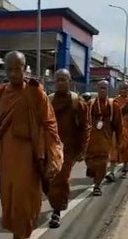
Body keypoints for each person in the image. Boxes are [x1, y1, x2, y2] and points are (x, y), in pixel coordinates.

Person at [0, 51, 64, 239]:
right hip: (5, 158)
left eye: (18, 69)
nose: (14, 74)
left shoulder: (35, 92)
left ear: (25, 69)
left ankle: (21, 235)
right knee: (8, 200)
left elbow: (50, 123)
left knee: (25, 203)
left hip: (29, 158)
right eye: (9, 70)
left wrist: (53, 154)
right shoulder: (0, 92)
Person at [46, 69, 91, 228]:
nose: (60, 82)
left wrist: (82, 150)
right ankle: (54, 202)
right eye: (58, 79)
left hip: (68, 149)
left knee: (61, 179)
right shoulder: (48, 100)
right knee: (47, 180)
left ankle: (56, 212)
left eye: (64, 80)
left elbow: (85, 127)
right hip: (49, 148)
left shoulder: (76, 101)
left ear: (69, 82)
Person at [85, 80, 122, 193]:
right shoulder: (90, 104)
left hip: (105, 140)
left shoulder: (113, 105)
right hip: (91, 140)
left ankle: (97, 185)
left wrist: (119, 140)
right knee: (90, 162)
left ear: (108, 90)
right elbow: (83, 121)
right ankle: (93, 172)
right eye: (100, 88)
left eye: (104, 88)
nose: (102, 90)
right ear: (97, 89)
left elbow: (118, 124)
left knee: (102, 163)